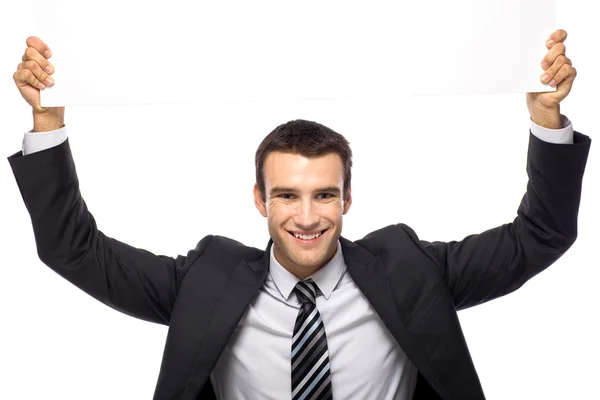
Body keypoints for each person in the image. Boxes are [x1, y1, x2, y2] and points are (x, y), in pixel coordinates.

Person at [8, 30, 590, 400]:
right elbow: (73, 250)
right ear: (260, 200)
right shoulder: (205, 280)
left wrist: (545, 120)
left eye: (324, 195)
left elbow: (541, 234)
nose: (307, 216)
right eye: (287, 195)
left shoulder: (411, 269)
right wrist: (48, 127)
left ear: (348, 198)